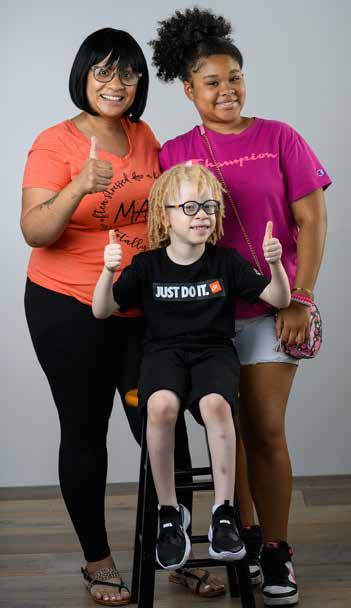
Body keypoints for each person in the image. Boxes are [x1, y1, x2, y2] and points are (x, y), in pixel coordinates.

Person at [149, 8, 332, 606]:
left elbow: (312, 220)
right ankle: (246, 538)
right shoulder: (175, 152)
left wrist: (301, 297)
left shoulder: (280, 137)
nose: (226, 90)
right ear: (189, 89)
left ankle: (277, 550)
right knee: (228, 431)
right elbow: (162, 232)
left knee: (264, 428)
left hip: (273, 310)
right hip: (204, 319)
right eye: (212, 81)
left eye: (235, 78)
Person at [93, 162, 291, 572]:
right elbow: (103, 309)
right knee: (160, 406)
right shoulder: (147, 265)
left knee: (216, 405)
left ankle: (224, 512)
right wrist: (108, 272)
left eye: (209, 206)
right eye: (189, 207)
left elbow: (278, 299)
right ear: (164, 215)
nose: (202, 215)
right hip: (163, 354)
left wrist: (275, 264)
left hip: (213, 353)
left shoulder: (226, 262)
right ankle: (170, 513)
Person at [21, 27, 159, 606]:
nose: (115, 83)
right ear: (83, 75)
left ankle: (171, 554)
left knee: (159, 424)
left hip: (138, 306)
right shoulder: (54, 143)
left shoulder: (143, 135)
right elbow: (35, 230)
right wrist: (79, 185)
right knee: (85, 431)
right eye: (103, 70)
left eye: (127, 72)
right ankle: (98, 561)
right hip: (67, 307)